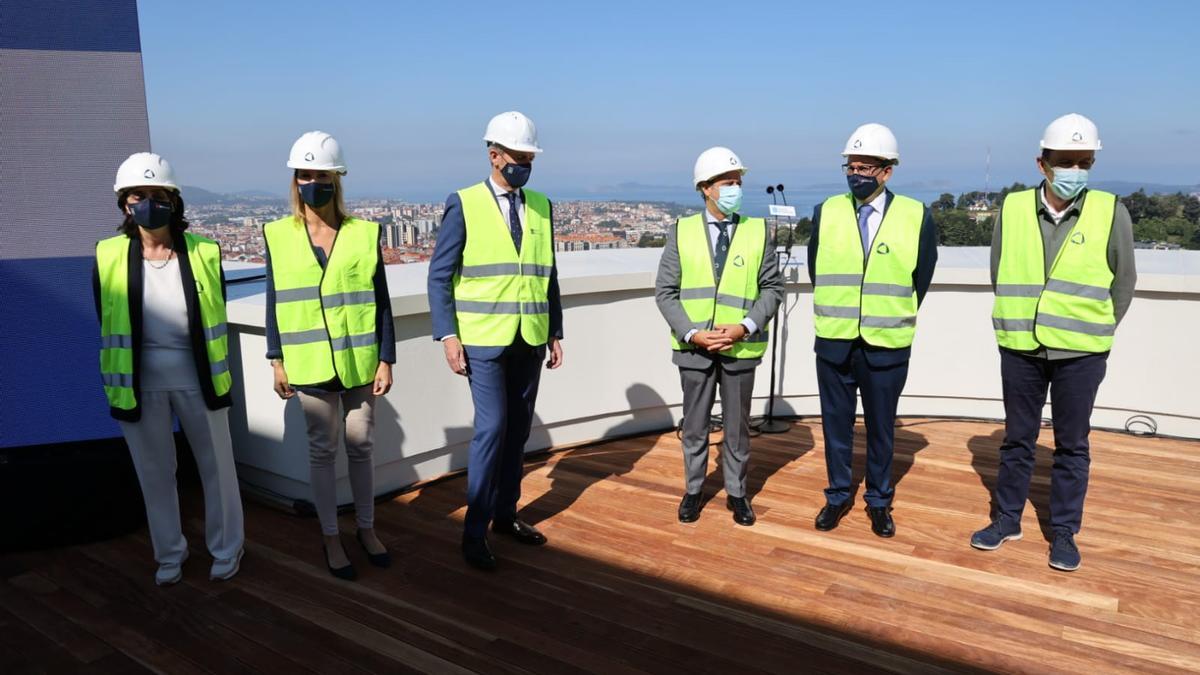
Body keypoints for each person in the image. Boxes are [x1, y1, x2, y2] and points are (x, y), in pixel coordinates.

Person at [971, 113, 1136, 572]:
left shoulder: (1111, 210)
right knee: (1017, 440)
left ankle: (1063, 532)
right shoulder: (1012, 207)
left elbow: (1124, 284)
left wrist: (1095, 329)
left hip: (1081, 354)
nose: (1075, 171)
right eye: (1066, 161)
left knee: (1072, 444)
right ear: (1042, 163)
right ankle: (1007, 520)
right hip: (1021, 346)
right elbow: (998, 271)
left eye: (1085, 162)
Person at [94, 152, 244, 585]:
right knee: (155, 473)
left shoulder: (204, 251)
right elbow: (106, 320)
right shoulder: (108, 255)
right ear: (124, 203)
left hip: (201, 378)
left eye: (158, 195)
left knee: (218, 469)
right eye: (138, 195)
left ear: (174, 201)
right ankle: (169, 555)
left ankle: (227, 547)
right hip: (139, 384)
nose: (147, 203)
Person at [427, 111, 564, 571]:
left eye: (529, 158)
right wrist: (448, 335)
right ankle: (474, 532)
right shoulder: (463, 203)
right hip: (483, 342)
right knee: (491, 431)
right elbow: (440, 274)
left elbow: (548, 275)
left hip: (530, 338)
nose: (524, 165)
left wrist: (555, 331)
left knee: (518, 431)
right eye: (518, 157)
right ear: (494, 156)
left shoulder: (542, 206)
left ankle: (506, 517)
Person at [263, 131, 395, 580]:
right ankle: (330, 536)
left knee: (362, 448)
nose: (312, 182)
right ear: (294, 180)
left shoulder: (363, 233)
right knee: (323, 453)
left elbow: (380, 301)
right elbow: (274, 299)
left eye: (320, 175)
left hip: (359, 360)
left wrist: (386, 358)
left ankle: (366, 528)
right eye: (304, 175)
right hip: (310, 362)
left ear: (336, 180)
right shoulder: (277, 235)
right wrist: (276, 359)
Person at [808, 124, 938, 538]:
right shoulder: (825, 211)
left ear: (887, 171)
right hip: (834, 339)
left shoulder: (917, 215)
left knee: (882, 428)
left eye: (866, 166)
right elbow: (817, 270)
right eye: (851, 165)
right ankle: (837, 495)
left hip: (886, 344)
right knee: (835, 425)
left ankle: (879, 501)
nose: (856, 173)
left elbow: (922, 277)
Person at [654, 146, 784, 526]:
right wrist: (693, 333)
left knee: (737, 428)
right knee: (694, 426)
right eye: (729, 182)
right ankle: (693, 491)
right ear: (706, 188)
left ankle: (737, 494)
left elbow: (772, 289)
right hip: (694, 349)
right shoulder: (680, 232)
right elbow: (665, 291)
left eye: (738, 182)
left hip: (740, 347)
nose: (736, 188)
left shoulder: (757, 231)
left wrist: (745, 326)